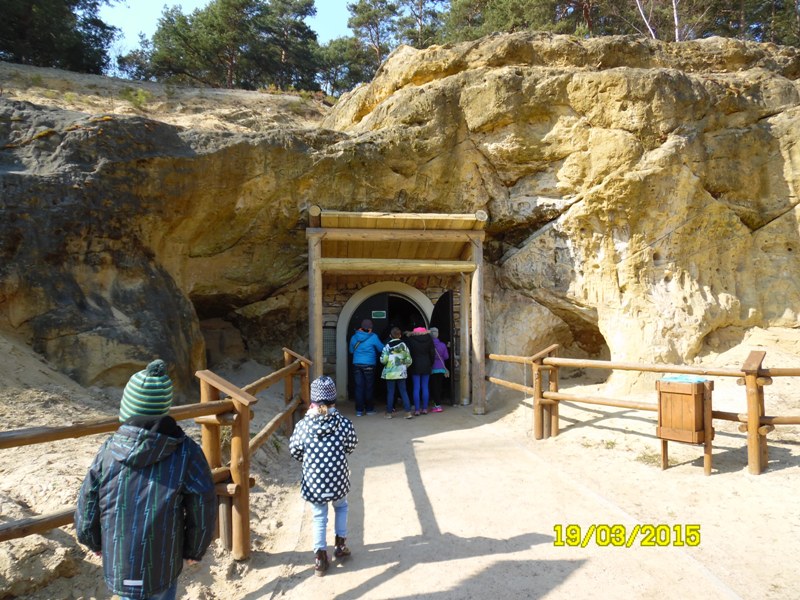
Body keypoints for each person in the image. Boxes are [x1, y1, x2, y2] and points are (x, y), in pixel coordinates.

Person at [75, 359, 216, 600]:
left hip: (120, 560)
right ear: (164, 408)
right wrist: (195, 549)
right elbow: (202, 502)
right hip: (163, 562)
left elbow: (88, 498)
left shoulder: (108, 450)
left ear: (127, 408)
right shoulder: (186, 451)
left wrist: (92, 541)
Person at [289, 376, 358, 577]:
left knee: (319, 515)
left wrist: (310, 460)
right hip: (338, 478)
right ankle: (340, 545)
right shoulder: (343, 423)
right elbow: (351, 445)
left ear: (313, 399)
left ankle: (320, 557)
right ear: (333, 399)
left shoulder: (303, 425)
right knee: (341, 507)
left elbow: (295, 450)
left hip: (314, 481)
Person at [348, 318, 384, 416]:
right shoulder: (374, 337)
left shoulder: (354, 337)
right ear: (370, 327)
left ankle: (359, 411)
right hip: (369, 364)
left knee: (359, 387)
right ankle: (369, 409)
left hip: (357, 364)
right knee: (369, 387)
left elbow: (351, 351)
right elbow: (381, 349)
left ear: (361, 327)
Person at [380, 326, 414, 419]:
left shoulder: (387, 346)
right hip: (401, 372)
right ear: (400, 335)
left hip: (390, 373)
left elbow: (383, 360)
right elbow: (409, 360)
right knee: (403, 391)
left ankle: (389, 413)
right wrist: (403, 367)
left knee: (390, 392)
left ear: (390, 336)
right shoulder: (404, 345)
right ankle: (408, 413)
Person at [405, 326, 436, 415]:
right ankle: (425, 408)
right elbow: (432, 353)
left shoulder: (411, 340)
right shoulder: (429, 339)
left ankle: (417, 410)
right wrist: (431, 363)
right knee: (425, 387)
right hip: (426, 364)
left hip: (415, 365)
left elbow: (408, 353)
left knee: (416, 387)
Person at [429, 326, 450, 412]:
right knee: (439, 387)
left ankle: (437, 405)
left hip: (432, 368)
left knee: (434, 387)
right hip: (441, 368)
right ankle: (438, 404)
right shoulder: (443, 345)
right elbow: (446, 357)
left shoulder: (429, 345)